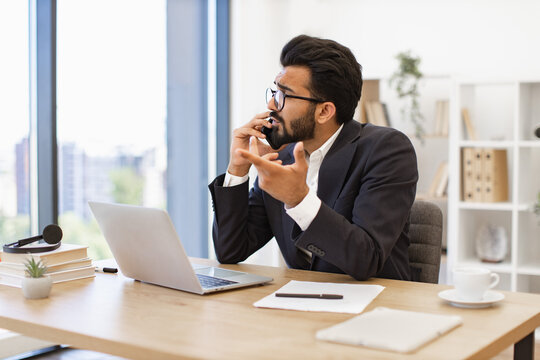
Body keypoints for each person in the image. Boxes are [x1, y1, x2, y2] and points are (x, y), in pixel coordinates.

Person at [208, 35, 418, 281]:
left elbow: (366, 259)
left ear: (324, 111)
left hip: (377, 307)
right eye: (275, 91)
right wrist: (238, 169)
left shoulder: (387, 150)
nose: (271, 104)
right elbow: (230, 250)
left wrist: (299, 200)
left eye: (284, 95)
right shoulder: (283, 158)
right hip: (301, 306)